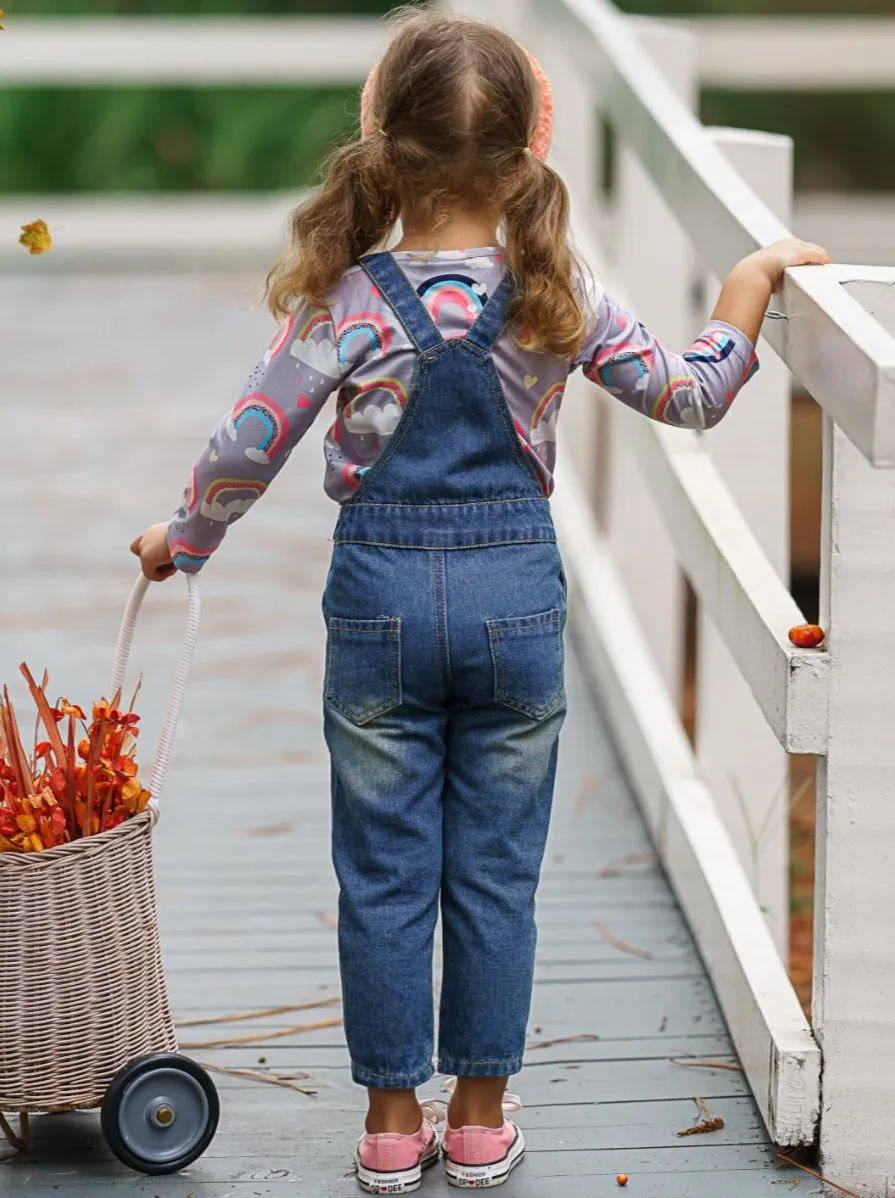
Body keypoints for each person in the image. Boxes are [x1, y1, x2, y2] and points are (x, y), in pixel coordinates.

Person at [130, 10, 830, 1193]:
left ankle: (393, 1124)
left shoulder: (343, 303)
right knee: (496, 874)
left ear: (380, 148)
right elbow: (691, 394)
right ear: (523, 160)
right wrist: (747, 284)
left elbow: (246, 442)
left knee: (385, 872)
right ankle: (481, 1119)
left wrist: (181, 539)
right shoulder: (557, 296)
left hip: (380, 610)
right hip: (513, 604)